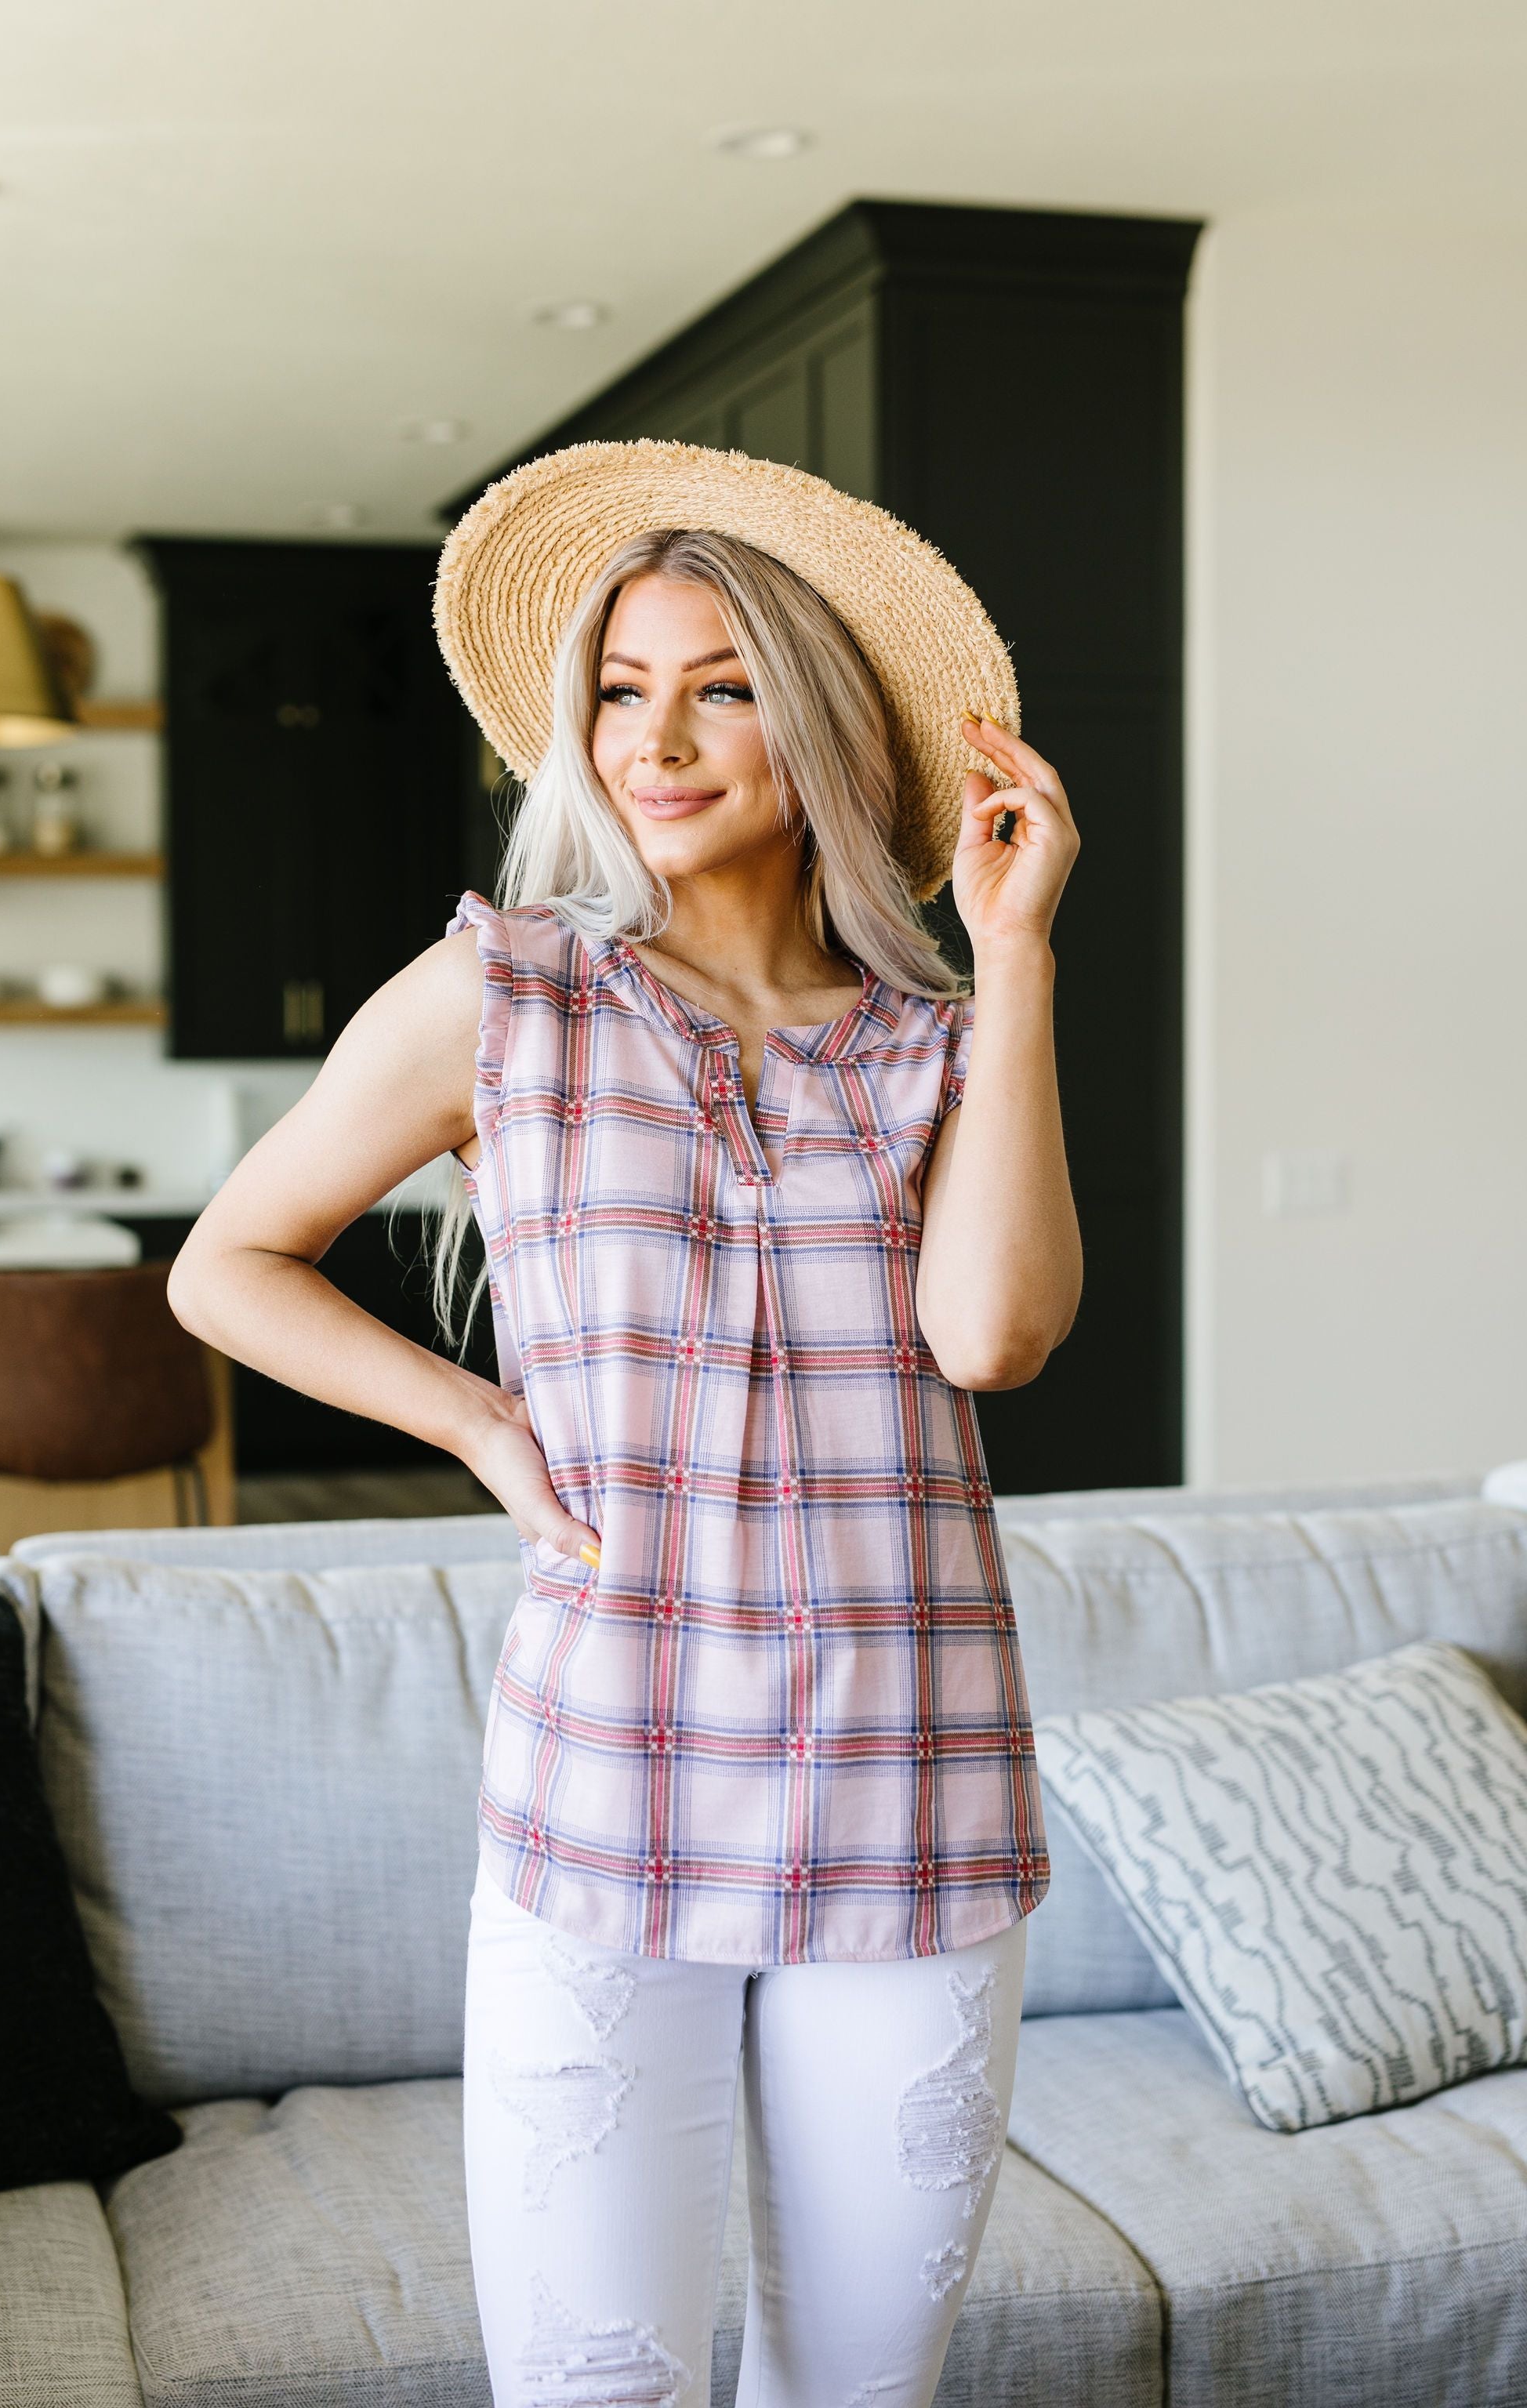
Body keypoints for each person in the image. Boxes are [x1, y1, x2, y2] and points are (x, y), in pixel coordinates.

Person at [168, 440, 1083, 2407]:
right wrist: (489, 1428)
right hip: (609, 1787)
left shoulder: (935, 1040)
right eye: (619, 688)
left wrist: (1012, 964)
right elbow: (229, 1263)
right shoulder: (498, 994)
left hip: (909, 1796)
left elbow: (992, 1338)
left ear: (815, 721)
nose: (656, 737)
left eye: (721, 685)